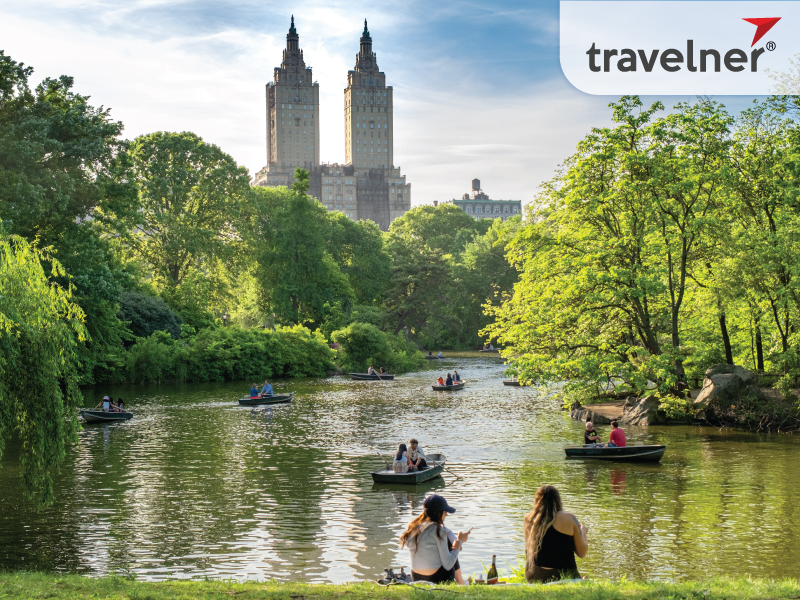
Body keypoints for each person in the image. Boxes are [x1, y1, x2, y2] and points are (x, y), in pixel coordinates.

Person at [401, 495, 471, 584]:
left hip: (416, 577)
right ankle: (460, 582)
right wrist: (460, 541)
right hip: (437, 578)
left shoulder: (413, 528)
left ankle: (460, 581)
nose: (446, 514)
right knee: (450, 545)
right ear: (438, 513)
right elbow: (448, 564)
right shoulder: (439, 531)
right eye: (445, 511)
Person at [524, 485, 588, 583]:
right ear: (558, 500)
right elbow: (582, 553)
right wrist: (583, 533)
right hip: (564, 575)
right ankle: (581, 581)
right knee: (583, 581)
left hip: (534, 576)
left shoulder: (529, 518)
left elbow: (528, 552)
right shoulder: (569, 518)